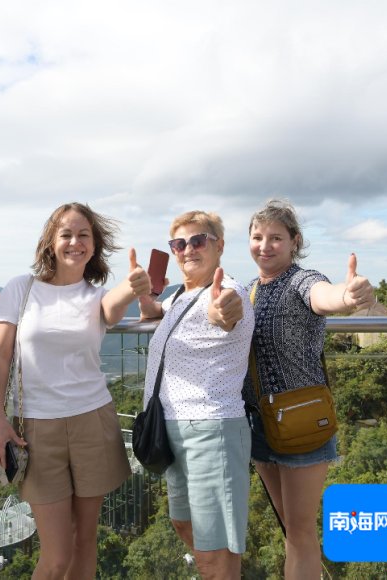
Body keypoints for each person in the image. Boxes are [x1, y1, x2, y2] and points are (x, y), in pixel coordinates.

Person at [0, 202, 151, 579]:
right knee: (57, 555)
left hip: (92, 420)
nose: (75, 242)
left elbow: (111, 309)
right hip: (35, 428)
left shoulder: (95, 295)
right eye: (66, 234)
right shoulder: (20, 289)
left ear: (94, 245)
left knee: (85, 538)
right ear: (50, 240)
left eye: (84, 235)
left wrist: (132, 286)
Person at [242, 199, 374, 578]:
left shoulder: (301, 279)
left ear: (294, 242)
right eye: (257, 237)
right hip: (260, 424)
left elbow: (325, 296)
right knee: (290, 529)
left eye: (275, 238)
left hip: (303, 423)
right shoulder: (249, 289)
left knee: (300, 531)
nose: (264, 246)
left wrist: (346, 297)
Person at [137, 210, 254, 579]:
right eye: (179, 243)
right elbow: (158, 312)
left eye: (198, 240)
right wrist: (145, 298)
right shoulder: (182, 296)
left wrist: (223, 311)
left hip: (211, 429)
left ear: (219, 246)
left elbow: (226, 312)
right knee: (184, 525)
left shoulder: (225, 292)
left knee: (213, 551)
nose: (188, 249)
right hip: (173, 430)